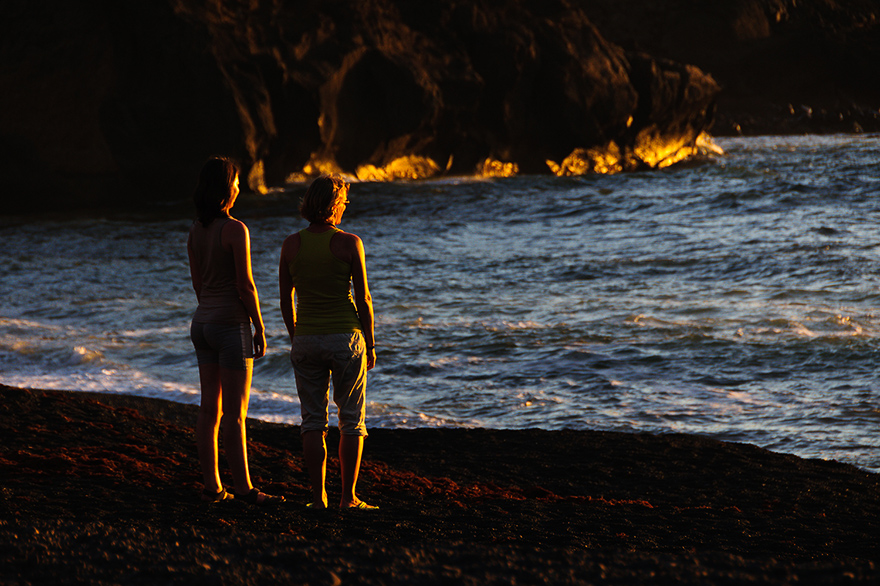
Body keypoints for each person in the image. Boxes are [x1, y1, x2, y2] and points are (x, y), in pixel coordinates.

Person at [186, 156, 283, 505]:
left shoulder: (195, 230)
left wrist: (211, 310)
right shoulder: (235, 229)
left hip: (202, 323)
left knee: (207, 409)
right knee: (235, 414)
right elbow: (246, 286)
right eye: (237, 183)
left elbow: (198, 284)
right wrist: (258, 325)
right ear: (227, 189)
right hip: (230, 325)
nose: (240, 188)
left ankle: (213, 487)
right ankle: (243, 489)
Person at [279, 175, 377, 510]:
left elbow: (284, 299)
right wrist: (372, 342)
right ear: (335, 205)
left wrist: (296, 336)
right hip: (345, 337)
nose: (345, 208)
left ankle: (318, 497)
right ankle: (348, 497)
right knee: (351, 420)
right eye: (344, 202)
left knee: (312, 420)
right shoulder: (350, 243)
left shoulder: (292, 244)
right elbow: (362, 298)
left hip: (305, 337)